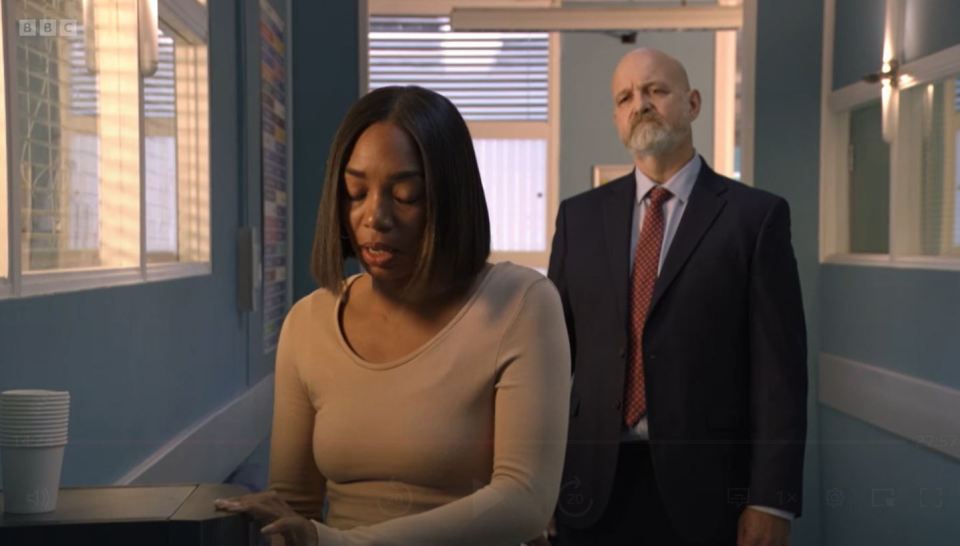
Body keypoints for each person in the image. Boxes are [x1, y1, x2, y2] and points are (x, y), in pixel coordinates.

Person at [214, 86, 571, 546]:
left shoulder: (523, 304)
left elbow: (525, 500)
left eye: (405, 195)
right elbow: (296, 508)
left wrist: (339, 543)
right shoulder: (308, 323)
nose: (374, 216)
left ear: (449, 199)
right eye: (355, 192)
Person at [545, 48, 808, 546]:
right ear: (617, 118)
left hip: (709, 495)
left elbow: (780, 371)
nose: (639, 104)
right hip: (588, 487)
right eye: (625, 97)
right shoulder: (578, 218)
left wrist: (771, 497)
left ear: (692, 103)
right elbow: (552, 361)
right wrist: (534, 484)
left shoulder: (755, 218)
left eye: (655, 90)